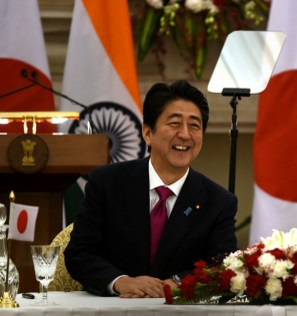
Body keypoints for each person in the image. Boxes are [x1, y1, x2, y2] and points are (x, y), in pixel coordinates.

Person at [65, 80, 238, 298]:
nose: (185, 134)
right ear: (148, 133)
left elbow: (222, 265)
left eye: (194, 125)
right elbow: (79, 253)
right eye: (175, 123)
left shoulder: (219, 201)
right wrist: (120, 282)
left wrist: (178, 283)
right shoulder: (107, 183)